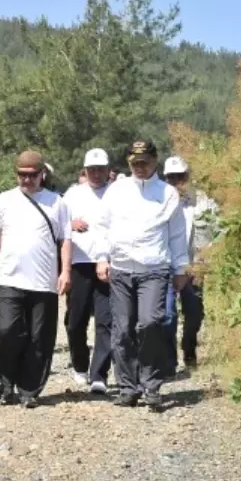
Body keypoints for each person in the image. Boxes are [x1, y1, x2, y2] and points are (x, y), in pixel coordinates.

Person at [93, 139, 189, 409]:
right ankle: (128, 387)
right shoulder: (117, 190)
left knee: (150, 323)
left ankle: (152, 384)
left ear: (155, 161)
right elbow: (102, 226)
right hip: (122, 268)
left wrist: (181, 268)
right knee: (122, 329)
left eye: (145, 162)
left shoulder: (168, 193)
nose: (140, 167)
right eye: (135, 163)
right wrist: (102, 258)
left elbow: (177, 235)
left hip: (154, 268)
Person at [0, 150, 71, 408]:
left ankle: (29, 389)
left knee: (39, 337)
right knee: (8, 331)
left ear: (42, 174)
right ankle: (6, 382)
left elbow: (65, 240)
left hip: (43, 281)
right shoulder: (5, 199)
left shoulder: (57, 202)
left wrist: (65, 271)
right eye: (21, 175)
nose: (26, 180)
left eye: (32, 175)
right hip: (9, 277)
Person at [62, 148, 114, 395]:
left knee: (106, 320)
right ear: (85, 170)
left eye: (100, 169)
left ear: (108, 170)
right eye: (91, 169)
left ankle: (99, 374)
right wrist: (70, 224)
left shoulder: (117, 194)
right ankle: (80, 365)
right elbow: (58, 222)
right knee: (75, 321)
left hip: (108, 263)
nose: (96, 174)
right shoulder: (73, 195)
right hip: (79, 262)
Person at [162, 156, 219, 374]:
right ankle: (169, 360)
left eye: (181, 176)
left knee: (194, 312)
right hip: (167, 265)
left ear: (188, 176)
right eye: (172, 177)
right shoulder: (158, 200)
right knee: (167, 315)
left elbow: (220, 229)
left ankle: (189, 348)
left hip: (195, 265)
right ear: (165, 178)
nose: (177, 182)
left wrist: (207, 255)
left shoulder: (204, 201)